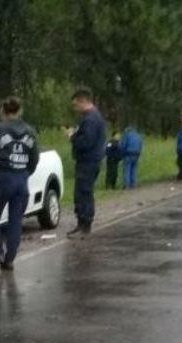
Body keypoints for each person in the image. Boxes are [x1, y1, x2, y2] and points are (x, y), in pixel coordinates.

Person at [0, 96, 40, 271]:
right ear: (19, 111)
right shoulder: (30, 131)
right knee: (16, 221)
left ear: (3, 111)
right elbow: (34, 158)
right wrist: (24, 172)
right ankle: (9, 260)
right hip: (21, 180)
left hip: (2, 178)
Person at [67, 88, 106, 238]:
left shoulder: (90, 119)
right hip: (90, 160)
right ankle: (81, 223)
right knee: (83, 191)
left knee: (83, 192)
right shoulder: (94, 117)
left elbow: (86, 142)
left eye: (76, 105)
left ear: (83, 101)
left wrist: (72, 137)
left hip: (88, 161)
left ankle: (85, 225)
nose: (75, 109)